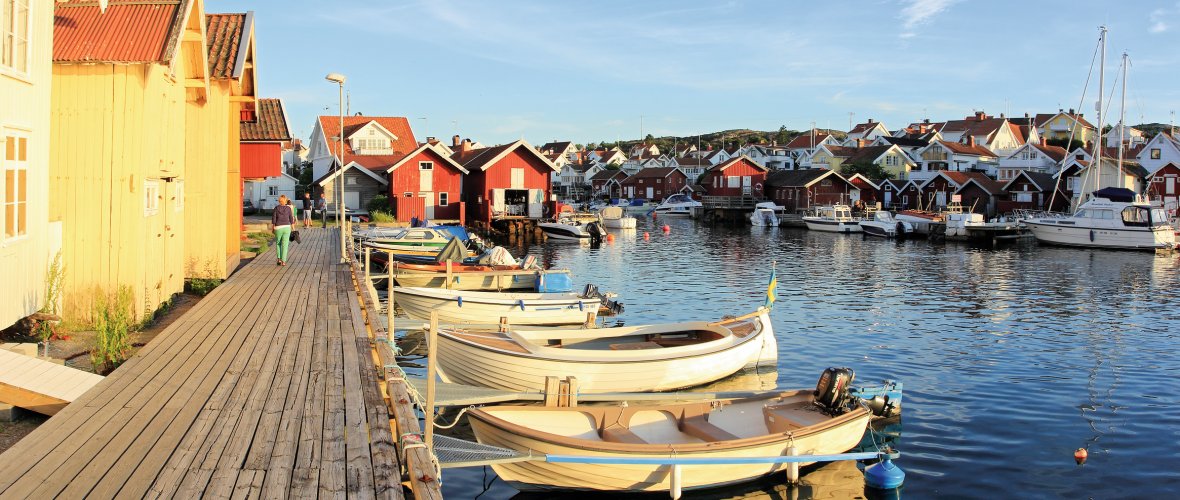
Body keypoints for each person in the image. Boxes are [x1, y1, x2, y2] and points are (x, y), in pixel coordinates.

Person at [271, 195, 296, 266]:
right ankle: (284, 261)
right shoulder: (288, 208)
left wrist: (273, 228)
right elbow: (291, 219)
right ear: (285, 201)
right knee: (285, 245)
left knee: (278, 243)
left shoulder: (276, 208)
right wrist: (293, 229)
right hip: (287, 228)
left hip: (278, 228)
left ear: (279, 201)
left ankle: (279, 259)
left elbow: (274, 219)